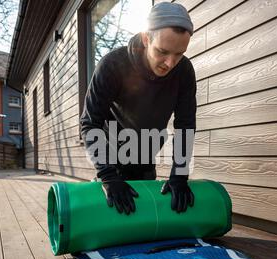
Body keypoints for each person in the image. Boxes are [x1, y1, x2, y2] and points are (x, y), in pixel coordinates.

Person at [80, 2, 196, 215]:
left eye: (179, 54)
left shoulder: (184, 71)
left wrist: (180, 175)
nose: (170, 63)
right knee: (113, 224)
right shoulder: (112, 65)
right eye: (162, 52)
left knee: (145, 223)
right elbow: (90, 123)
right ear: (146, 38)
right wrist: (108, 177)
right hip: (111, 162)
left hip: (145, 160)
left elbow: (185, 125)